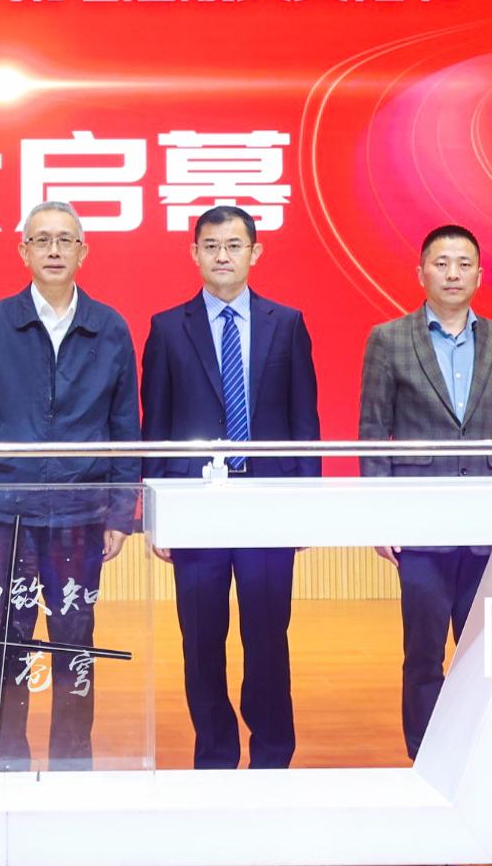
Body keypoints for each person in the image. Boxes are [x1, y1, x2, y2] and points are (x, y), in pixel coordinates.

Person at [0, 200, 141, 771]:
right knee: (6, 640)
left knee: (75, 643)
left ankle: (71, 766)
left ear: (83, 251)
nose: (53, 250)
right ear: (23, 251)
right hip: (6, 514)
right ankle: (8, 761)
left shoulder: (109, 327)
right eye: (41, 240)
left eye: (65, 240)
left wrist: (120, 512)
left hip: (80, 514)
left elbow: (126, 429)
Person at [141, 205, 321, 770]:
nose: (223, 256)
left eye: (234, 245)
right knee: (201, 640)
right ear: (195, 253)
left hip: (267, 504)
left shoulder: (286, 323)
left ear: (254, 253)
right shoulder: (167, 328)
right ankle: (215, 754)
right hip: (197, 510)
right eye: (212, 246)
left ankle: (272, 753)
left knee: (267, 635)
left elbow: (304, 423)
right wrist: (158, 514)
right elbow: (156, 429)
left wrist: (305, 506)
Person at [358, 223, 492, 761]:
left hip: (489, 526)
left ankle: (481, 757)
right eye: (441, 263)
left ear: (479, 274)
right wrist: (381, 519)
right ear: (421, 273)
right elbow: (372, 433)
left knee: (486, 653)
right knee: (423, 653)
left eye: (463, 264)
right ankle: (427, 759)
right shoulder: (388, 339)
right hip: (421, 525)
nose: (452, 273)